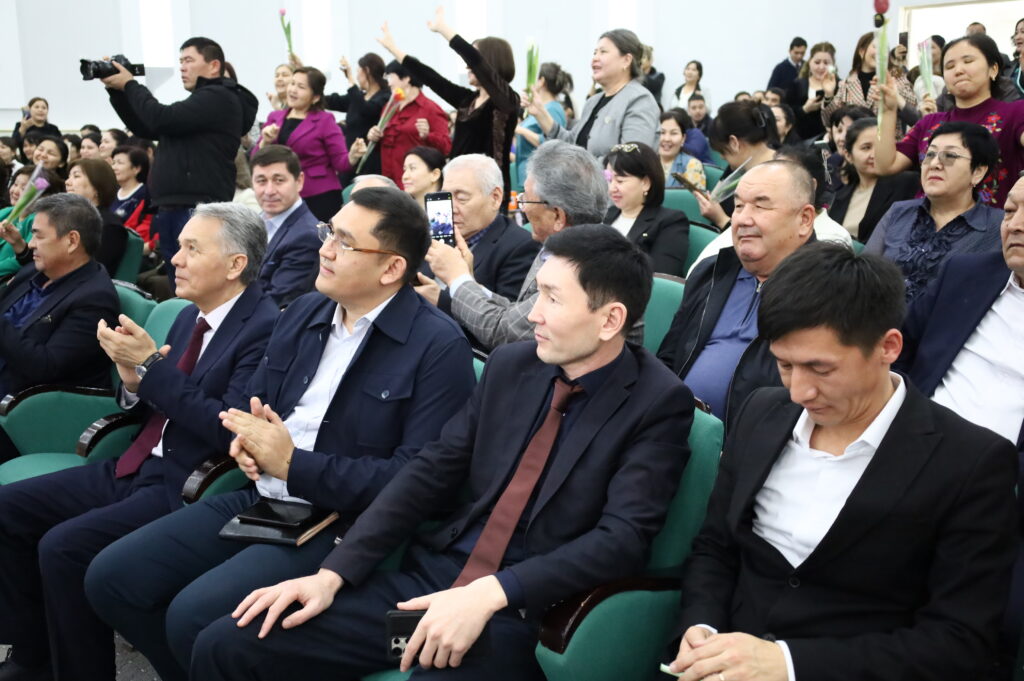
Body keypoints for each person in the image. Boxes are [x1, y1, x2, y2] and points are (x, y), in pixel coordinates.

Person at [153, 222, 694, 681]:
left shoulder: (656, 403)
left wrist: (492, 593)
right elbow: (429, 472)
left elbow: (622, 539)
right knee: (231, 643)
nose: (532, 315)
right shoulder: (514, 367)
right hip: (429, 586)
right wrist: (333, 574)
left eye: (552, 299)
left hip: (520, 612)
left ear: (610, 320)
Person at [85, 187, 476, 681]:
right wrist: (248, 442)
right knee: (111, 578)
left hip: (344, 521)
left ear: (391, 268)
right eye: (328, 233)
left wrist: (293, 464)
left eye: (344, 242)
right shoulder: (306, 311)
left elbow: (416, 482)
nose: (325, 249)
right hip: (264, 497)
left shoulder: (437, 346)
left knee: (193, 616)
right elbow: (256, 406)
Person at [667, 241, 1018, 681]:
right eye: (784, 365)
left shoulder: (971, 463)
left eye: (821, 369)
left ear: (888, 347)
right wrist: (702, 627)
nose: (799, 392)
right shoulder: (762, 412)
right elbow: (716, 547)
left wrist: (788, 665)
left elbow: (959, 641)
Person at [0, 202, 278, 681]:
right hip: (134, 462)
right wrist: (132, 381)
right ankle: (34, 655)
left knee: (64, 548)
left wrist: (152, 368)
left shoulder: (265, 328)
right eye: (180, 246)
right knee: (7, 509)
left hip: (187, 482)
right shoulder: (190, 315)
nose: (175, 258)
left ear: (236, 265)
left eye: (192, 249)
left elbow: (227, 427)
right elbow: (153, 397)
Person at [897, 174, 1024, 657]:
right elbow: (896, 356)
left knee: (989, 627)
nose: (1016, 225)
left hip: (1004, 492)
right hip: (910, 453)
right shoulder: (966, 272)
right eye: (1009, 212)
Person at [441, 140, 640, 351]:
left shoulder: (586, 265)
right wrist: (472, 285)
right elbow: (518, 313)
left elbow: (505, 333)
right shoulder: (559, 244)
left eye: (526, 199)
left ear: (558, 216)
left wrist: (457, 279)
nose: (523, 208)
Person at [658, 161, 815, 425]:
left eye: (760, 206)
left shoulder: (827, 291)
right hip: (675, 425)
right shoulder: (712, 272)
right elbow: (668, 357)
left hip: (758, 439)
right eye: (739, 206)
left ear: (804, 219)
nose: (742, 219)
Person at [100, 36, 259, 285]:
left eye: (189, 60)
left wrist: (130, 84)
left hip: (196, 207)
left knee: (196, 283)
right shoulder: (199, 105)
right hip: (175, 205)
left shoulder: (219, 96)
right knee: (182, 284)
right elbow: (146, 126)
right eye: (181, 61)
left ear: (214, 66)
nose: (182, 68)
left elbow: (161, 118)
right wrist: (117, 91)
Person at [377, 8, 520, 205]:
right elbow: (431, 78)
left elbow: (474, 59)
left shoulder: (505, 101)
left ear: (488, 64)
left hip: (485, 193)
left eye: (471, 62)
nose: (467, 67)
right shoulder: (467, 100)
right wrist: (394, 49)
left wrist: (444, 29)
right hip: (453, 186)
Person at [876, 33, 1024, 210]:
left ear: (993, 69)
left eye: (968, 61)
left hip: (989, 224)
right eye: (949, 66)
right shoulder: (929, 122)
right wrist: (888, 111)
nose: (958, 70)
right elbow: (885, 165)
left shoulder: (1015, 112)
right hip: (924, 219)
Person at [866, 121, 1003, 302]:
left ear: (977, 172)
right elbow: (863, 274)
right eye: (929, 154)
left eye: (950, 156)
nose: (934, 164)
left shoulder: (999, 228)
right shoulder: (899, 212)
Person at [0, 193, 119, 398]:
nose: (31, 244)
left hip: (25, 402)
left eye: (38, 236)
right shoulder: (35, 271)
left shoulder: (95, 299)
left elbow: (45, 367)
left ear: (71, 241)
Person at [414, 154, 540, 319]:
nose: (451, 208)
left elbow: (506, 322)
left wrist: (441, 300)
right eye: (446, 197)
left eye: (461, 198)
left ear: (495, 197)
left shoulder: (521, 246)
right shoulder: (433, 235)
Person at [527, 29, 659, 160]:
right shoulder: (593, 102)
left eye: (603, 52)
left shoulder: (640, 100)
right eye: (595, 53)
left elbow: (632, 158)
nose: (595, 58)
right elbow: (571, 145)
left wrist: (585, 168)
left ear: (626, 60)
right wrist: (540, 113)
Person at [253, 67, 350, 223]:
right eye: (292, 83)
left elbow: (341, 163)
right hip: (282, 193)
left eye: (301, 87)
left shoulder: (325, 120)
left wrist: (355, 155)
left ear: (315, 97)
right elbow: (256, 158)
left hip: (319, 195)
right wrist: (265, 141)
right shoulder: (274, 117)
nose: (293, 90)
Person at [348, 59, 451, 186]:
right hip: (389, 183)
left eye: (390, 77)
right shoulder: (389, 107)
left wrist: (428, 135)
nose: (388, 83)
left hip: (415, 185)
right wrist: (373, 137)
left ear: (406, 78)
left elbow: (446, 147)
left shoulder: (430, 109)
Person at [250, 144, 322, 307]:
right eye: (261, 181)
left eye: (279, 181)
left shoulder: (307, 236)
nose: (269, 191)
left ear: (299, 181)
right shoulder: (254, 222)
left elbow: (276, 301)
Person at [603, 142, 690, 277]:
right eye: (609, 180)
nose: (612, 188)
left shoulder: (670, 222)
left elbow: (662, 278)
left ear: (645, 183)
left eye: (620, 181)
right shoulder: (607, 214)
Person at [830, 118, 920, 242]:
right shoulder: (840, 196)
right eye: (866, 148)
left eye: (881, 147)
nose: (875, 154)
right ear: (848, 155)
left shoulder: (906, 183)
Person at [695, 101, 780, 231]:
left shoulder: (779, 177)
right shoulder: (737, 168)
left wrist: (721, 219)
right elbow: (716, 197)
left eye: (722, 151)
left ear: (734, 143)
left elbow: (763, 234)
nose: (722, 157)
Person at [823, 31, 917, 135]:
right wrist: (828, 94)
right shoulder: (846, 84)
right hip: (856, 142)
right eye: (876, 47)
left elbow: (915, 116)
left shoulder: (897, 78)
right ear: (862, 51)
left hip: (888, 142)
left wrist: (894, 92)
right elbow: (829, 122)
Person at [324, 53, 390, 181]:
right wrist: (311, 91)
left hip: (369, 161)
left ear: (367, 71)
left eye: (358, 72)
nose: (357, 76)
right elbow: (333, 101)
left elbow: (366, 109)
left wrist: (350, 79)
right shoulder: (358, 97)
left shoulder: (385, 97)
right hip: (350, 158)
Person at [64, 158, 130, 279]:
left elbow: (92, 271)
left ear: (96, 187)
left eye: (76, 176)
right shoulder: (67, 218)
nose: (67, 182)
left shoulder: (109, 227)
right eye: (69, 177)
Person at [0, 167, 66, 280]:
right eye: (15, 184)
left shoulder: (38, 221)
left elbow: (24, 259)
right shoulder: (6, 212)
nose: (15, 191)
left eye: (24, 188)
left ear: (43, 196)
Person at [515, 62, 571, 188]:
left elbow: (553, 143)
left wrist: (521, 130)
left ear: (541, 81)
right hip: (528, 174)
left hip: (540, 178)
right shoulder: (540, 108)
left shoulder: (553, 109)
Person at [785, 41, 837, 141]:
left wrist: (829, 95)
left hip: (828, 139)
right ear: (810, 62)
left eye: (826, 63)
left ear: (833, 64)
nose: (821, 67)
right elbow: (786, 113)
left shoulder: (840, 85)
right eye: (817, 62)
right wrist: (804, 109)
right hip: (799, 140)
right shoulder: (797, 84)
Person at [110, 145, 156, 252]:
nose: (114, 167)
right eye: (113, 163)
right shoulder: (111, 193)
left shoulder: (147, 195)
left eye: (120, 163)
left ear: (136, 169)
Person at [659, 109, 707, 190]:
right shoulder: (647, 163)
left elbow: (694, 198)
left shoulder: (692, 165)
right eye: (662, 132)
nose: (666, 139)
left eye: (673, 133)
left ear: (683, 138)